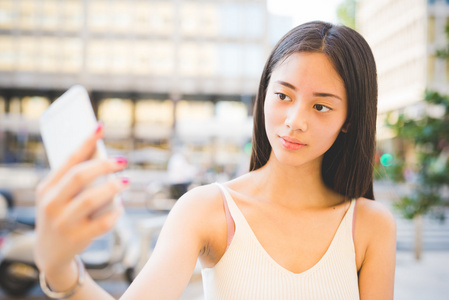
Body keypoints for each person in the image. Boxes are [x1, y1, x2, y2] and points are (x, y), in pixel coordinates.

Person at [34, 21, 396, 300]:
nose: (294, 120)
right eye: (284, 95)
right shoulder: (208, 209)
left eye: (320, 106)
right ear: (264, 93)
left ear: (349, 118)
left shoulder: (370, 226)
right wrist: (59, 268)